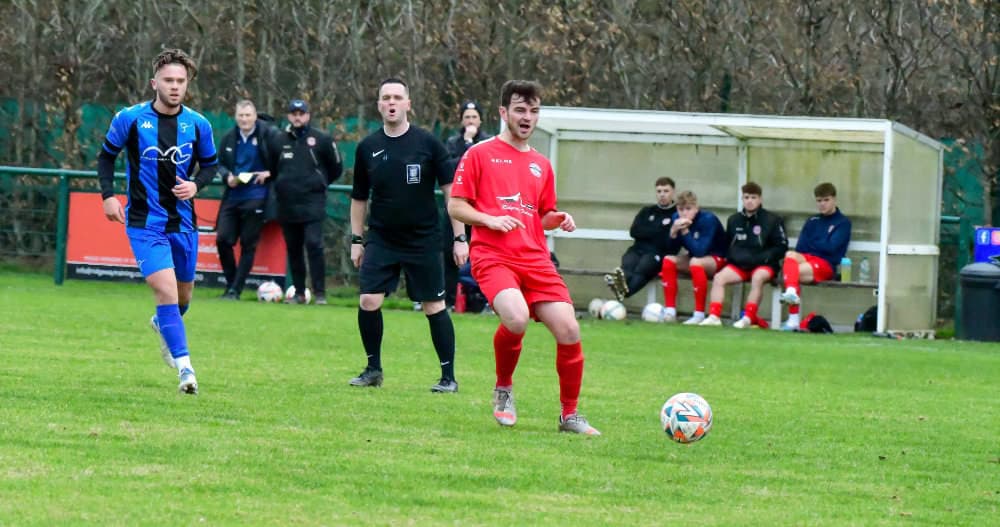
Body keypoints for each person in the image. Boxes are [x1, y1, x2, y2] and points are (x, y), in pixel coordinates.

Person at [448, 79, 601, 435]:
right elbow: (455, 205)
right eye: (520, 109)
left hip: (535, 259)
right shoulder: (479, 153)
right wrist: (489, 219)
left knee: (569, 328)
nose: (527, 117)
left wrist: (558, 219)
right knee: (516, 318)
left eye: (533, 110)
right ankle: (503, 389)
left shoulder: (541, 164)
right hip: (493, 256)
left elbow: (540, 215)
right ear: (503, 112)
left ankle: (569, 415)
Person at [96, 48, 219, 394]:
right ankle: (186, 370)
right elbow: (106, 157)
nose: (175, 86)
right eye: (168, 80)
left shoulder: (198, 124)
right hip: (143, 222)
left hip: (183, 224)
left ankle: (161, 323)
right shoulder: (130, 119)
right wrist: (107, 195)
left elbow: (211, 165)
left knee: (182, 298)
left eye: (181, 81)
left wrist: (196, 184)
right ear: (154, 83)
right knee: (164, 290)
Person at [349, 78, 469, 393]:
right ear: (379, 105)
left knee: (434, 306)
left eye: (397, 97)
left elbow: (451, 193)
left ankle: (448, 377)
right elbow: (359, 198)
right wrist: (356, 240)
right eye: (386, 97)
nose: (391, 102)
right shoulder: (367, 147)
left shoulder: (428, 144)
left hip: (423, 239)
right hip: (382, 238)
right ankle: (373, 369)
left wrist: (460, 238)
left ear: (408, 104)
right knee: (368, 300)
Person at [270, 99, 342, 305]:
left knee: (314, 244)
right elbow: (273, 168)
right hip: (287, 203)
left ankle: (320, 293)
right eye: (294, 113)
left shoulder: (321, 139)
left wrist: (319, 182)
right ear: (289, 116)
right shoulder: (278, 140)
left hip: (313, 201)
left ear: (308, 115)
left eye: (301, 113)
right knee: (293, 248)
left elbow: (336, 167)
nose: (298, 117)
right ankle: (299, 292)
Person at [700, 182, 787, 328]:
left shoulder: (772, 220)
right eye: (746, 197)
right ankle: (714, 316)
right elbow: (727, 244)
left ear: (760, 199)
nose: (749, 201)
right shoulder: (734, 220)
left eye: (753, 197)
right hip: (740, 265)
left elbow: (781, 246)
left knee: (757, 278)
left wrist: (765, 257)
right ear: (742, 199)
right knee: (719, 278)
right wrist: (732, 257)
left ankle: (748, 318)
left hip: (764, 265)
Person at [214, 99, 277, 300]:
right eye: (241, 115)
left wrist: (270, 173)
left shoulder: (269, 135)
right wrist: (227, 177)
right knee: (223, 239)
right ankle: (231, 283)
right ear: (236, 117)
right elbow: (218, 164)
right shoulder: (229, 138)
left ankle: (235, 290)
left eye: (248, 115)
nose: (244, 119)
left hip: (257, 196)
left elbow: (283, 160)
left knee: (248, 244)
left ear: (255, 116)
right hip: (233, 195)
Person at [438, 100, 493, 309]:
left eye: (474, 117)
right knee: (450, 252)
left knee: (485, 254)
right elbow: (451, 168)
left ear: (480, 120)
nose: (470, 121)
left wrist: (470, 145)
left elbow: (483, 168)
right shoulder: (452, 142)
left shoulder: (488, 142)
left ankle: (487, 300)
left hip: (480, 208)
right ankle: (449, 301)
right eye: (467, 117)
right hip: (457, 206)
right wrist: (466, 144)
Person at [778, 182, 852, 330]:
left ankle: (793, 318)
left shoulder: (843, 222)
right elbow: (801, 247)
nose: (822, 204)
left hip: (826, 264)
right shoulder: (812, 221)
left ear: (834, 199)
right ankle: (791, 293)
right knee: (790, 254)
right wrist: (820, 243)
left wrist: (813, 243)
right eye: (819, 201)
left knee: (792, 272)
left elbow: (831, 248)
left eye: (826, 200)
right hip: (807, 258)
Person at [605, 177, 679, 302]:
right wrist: (659, 230)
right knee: (628, 263)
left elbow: (666, 241)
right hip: (637, 249)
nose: (662, 195)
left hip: (657, 253)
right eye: (659, 191)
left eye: (666, 191)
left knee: (644, 266)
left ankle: (621, 291)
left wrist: (648, 231)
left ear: (673, 192)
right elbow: (634, 231)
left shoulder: (676, 214)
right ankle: (620, 288)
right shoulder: (647, 211)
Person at [660, 191, 727, 324]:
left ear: (696, 208)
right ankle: (670, 311)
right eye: (681, 209)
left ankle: (699, 314)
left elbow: (700, 251)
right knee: (668, 260)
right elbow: (671, 250)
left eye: (688, 209)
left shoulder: (708, 219)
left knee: (696, 262)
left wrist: (685, 231)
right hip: (694, 258)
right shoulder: (675, 218)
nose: (684, 213)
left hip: (717, 259)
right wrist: (673, 232)